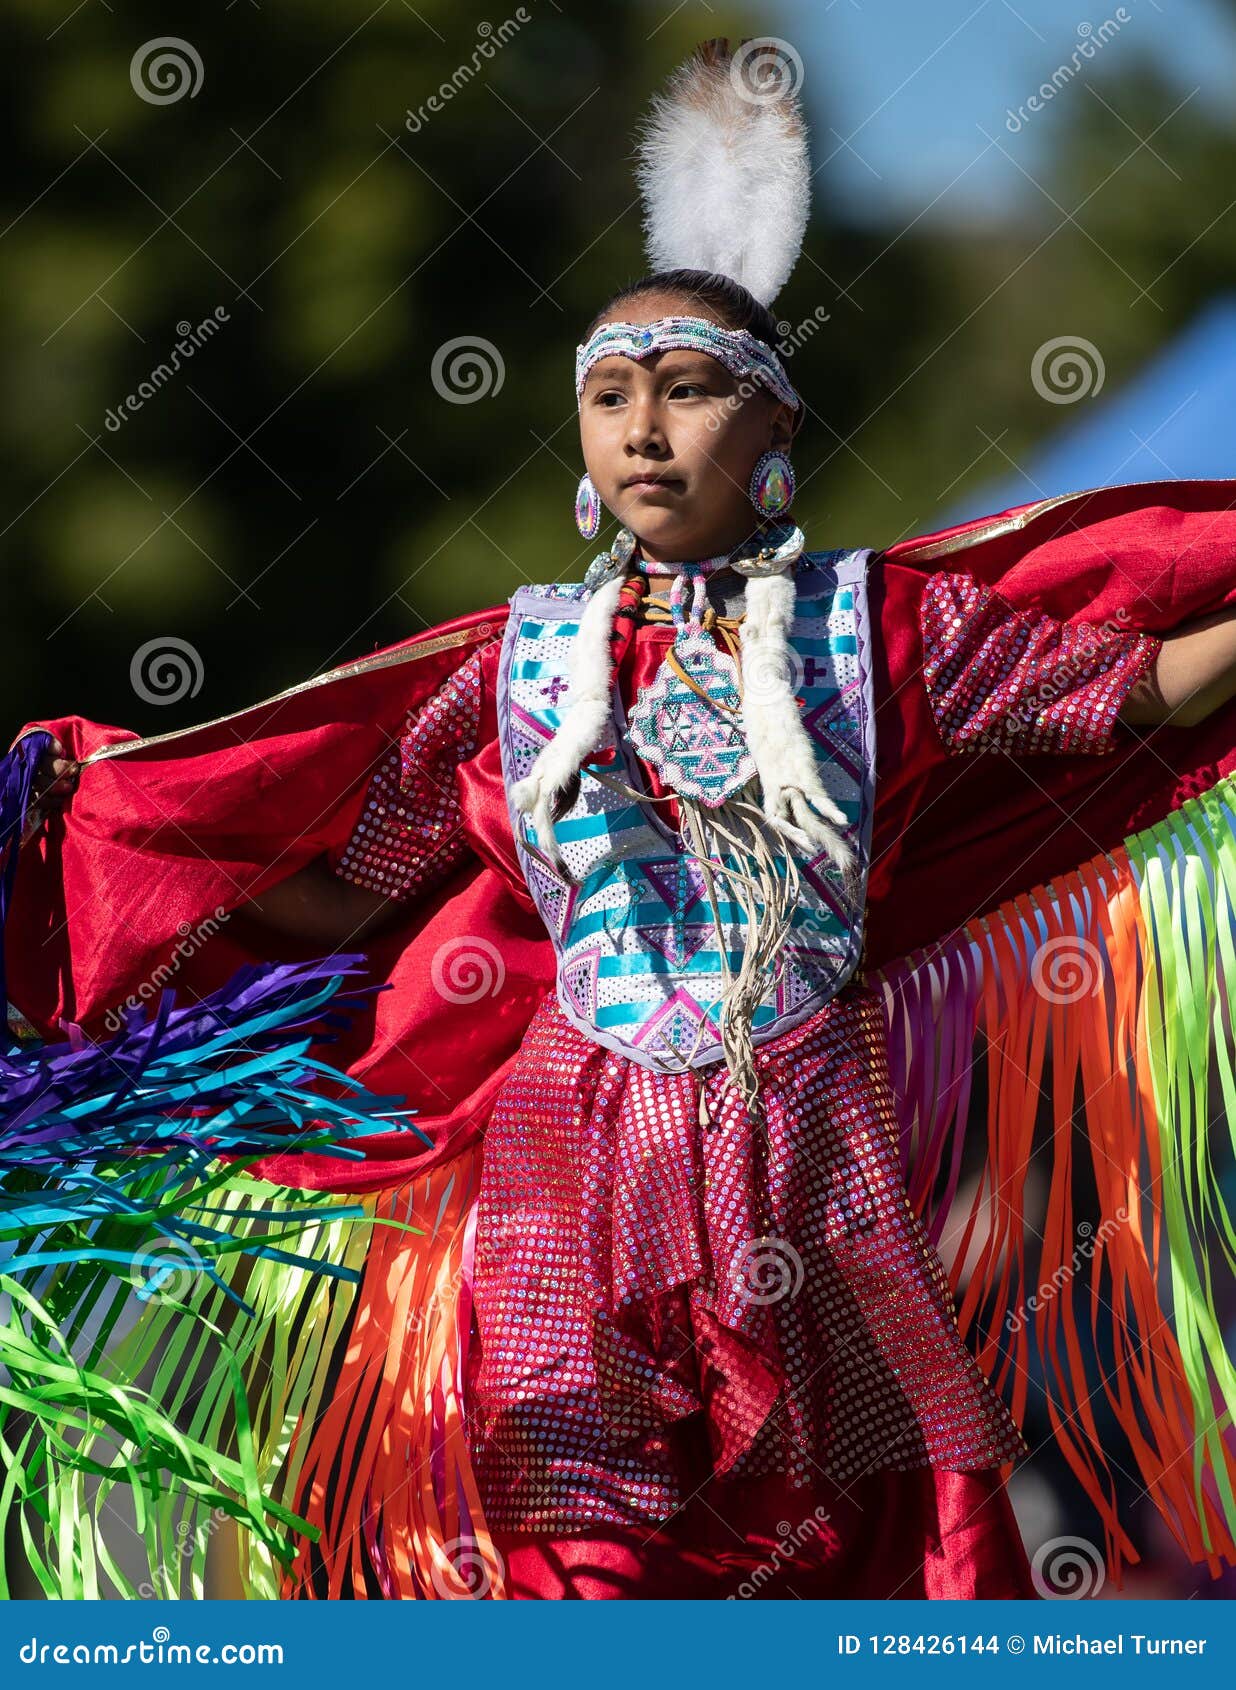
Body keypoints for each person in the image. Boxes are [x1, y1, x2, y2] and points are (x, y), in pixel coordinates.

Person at [7, 40, 1236, 1603]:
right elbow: (356, 895)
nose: (645, 426)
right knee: (582, 1554)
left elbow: (1141, 698)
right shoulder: (514, 667)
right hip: (569, 1165)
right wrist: (127, 854)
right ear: (583, 457)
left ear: (775, 438)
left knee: (858, 1552)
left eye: (689, 389)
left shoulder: (886, 632)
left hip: (811, 1152)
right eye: (610, 397)